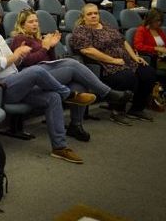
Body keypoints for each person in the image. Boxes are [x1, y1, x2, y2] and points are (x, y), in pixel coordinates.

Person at [0, 5, 98, 164]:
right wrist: (16, 55)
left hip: (14, 81)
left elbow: (12, 61)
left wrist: (20, 56)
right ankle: (69, 94)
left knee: (52, 97)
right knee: (36, 71)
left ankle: (59, 147)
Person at [9, 10, 131, 141]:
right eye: (31, 22)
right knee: (72, 64)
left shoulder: (39, 39)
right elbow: (26, 63)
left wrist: (51, 47)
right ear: (22, 24)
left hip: (48, 73)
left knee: (78, 85)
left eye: (36, 21)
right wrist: (44, 47)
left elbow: (51, 60)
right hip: (33, 78)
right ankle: (106, 93)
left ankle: (75, 125)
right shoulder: (19, 39)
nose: (35, 24)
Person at [70, 4, 156, 124]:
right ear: (83, 17)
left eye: (96, 13)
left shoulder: (106, 26)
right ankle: (117, 111)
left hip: (126, 61)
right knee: (128, 77)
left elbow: (123, 41)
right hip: (106, 66)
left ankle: (136, 109)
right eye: (89, 14)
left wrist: (135, 57)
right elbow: (87, 50)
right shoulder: (81, 30)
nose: (94, 16)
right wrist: (113, 60)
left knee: (149, 73)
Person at [133, 8, 166, 107]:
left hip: (163, 58)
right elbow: (138, 46)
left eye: (160, 20)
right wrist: (155, 48)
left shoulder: (159, 30)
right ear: (150, 19)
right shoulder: (142, 30)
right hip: (152, 59)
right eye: (157, 20)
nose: (159, 23)